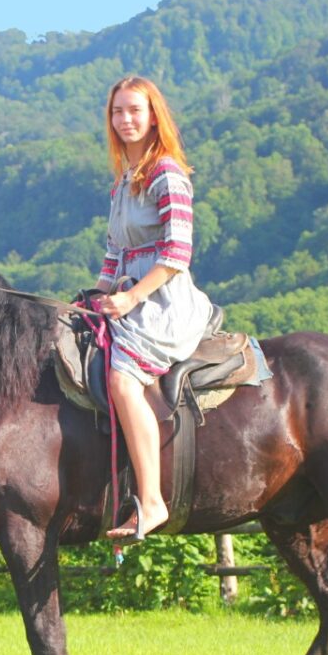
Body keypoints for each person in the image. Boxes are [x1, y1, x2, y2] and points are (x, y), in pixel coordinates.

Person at [95, 76, 214, 543]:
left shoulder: (167, 174)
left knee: (122, 379)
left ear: (152, 117)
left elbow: (176, 253)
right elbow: (114, 252)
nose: (125, 119)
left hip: (164, 300)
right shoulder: (122, 181)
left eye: (134, 110)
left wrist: (130, 297)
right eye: (117, 111)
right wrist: (94, 296)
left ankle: (151, 501)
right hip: (127, 293)